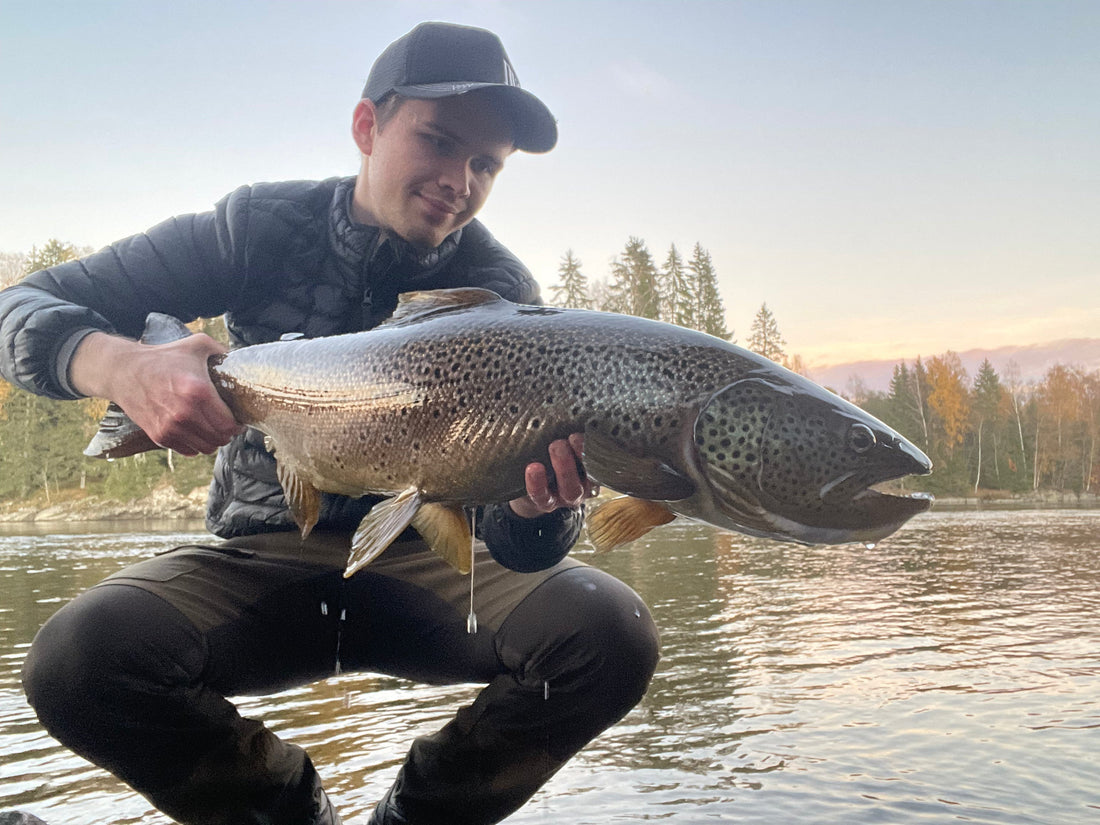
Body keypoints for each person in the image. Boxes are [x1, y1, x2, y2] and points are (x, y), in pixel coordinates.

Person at [0, 21, 660, 825]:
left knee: (610, 631)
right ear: (366, 127)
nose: (459, 178)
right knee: (77, 659)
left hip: (430, 558)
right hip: (259, 559)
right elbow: (19, 306)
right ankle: (286, 811)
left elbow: (523, 547)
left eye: (485, 164)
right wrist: (120, 367)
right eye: (439, 141)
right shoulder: (255, 227)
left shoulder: (499, 291)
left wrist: (540, 508)